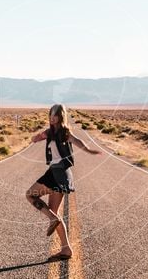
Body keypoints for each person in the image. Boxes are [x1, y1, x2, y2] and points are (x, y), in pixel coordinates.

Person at [25, 104, 101, 260]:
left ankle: (53, 219)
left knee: (30, 195)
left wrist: (89, 150)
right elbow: (35, 139)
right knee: (54, 212)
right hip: (56, 173)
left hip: (57, 173)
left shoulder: (64, 132)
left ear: (61, 116)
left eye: (55, 115)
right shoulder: (49, 132)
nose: (52, 118)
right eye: (50, 115)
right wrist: (37, 137)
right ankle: (66, 249)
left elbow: (78, 141)